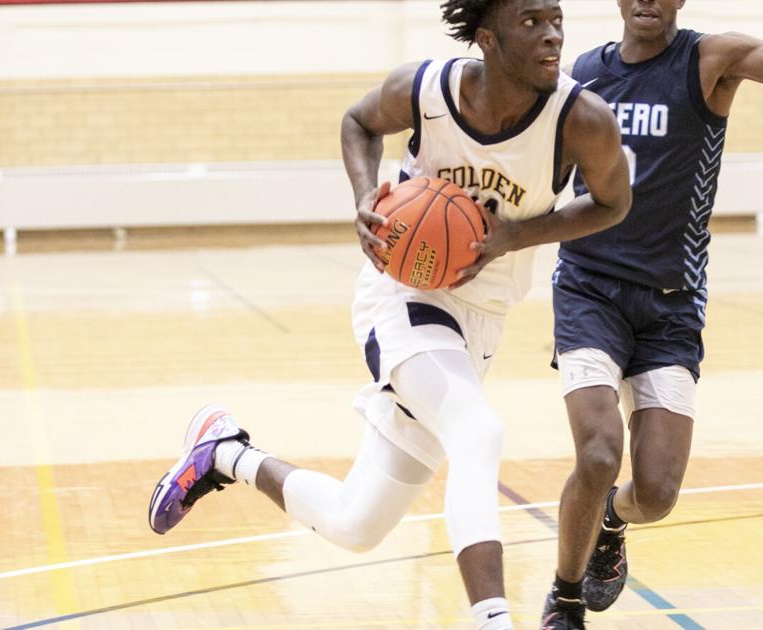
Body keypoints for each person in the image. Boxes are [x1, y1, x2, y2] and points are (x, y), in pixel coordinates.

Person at [146, 1, 630, 628]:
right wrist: (363, 198)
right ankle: (494, 619)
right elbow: (357, 122)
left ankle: (223, 453)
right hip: (404, 297)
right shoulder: (425, 90)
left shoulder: (580, 119)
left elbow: (612, 205)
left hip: (482, 319)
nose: (553, 35)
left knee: (355, 524)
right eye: (531, 21)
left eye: (556, 18)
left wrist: (515, 235)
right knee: (477, 431)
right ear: (487, 37)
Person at [539, 0, 763, 627]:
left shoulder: (712, 59)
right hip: (589, 288)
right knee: (599, 453)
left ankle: (611, 519)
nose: (648, 2)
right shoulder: (582, 74)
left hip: (669, 306)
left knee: (654, 495)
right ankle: (566, 599)